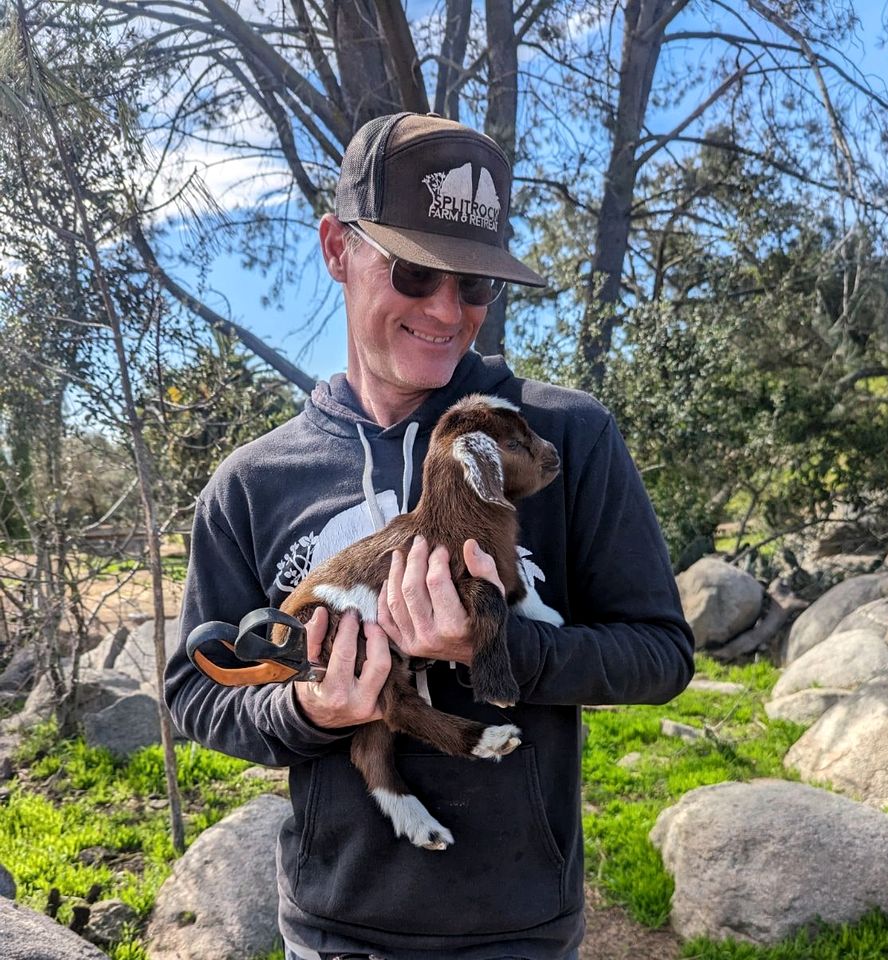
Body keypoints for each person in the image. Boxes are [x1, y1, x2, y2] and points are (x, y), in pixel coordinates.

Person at [164, 112, 695, 960]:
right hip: (333, 928)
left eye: (477, 284)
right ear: (338, 249)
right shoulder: (253, 482)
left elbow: (662, 656)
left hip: (519, 930)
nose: (449, 311)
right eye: (416, 273)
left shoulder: (566, 439)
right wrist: (308, 709)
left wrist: (496, 651)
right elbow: (195, 690)